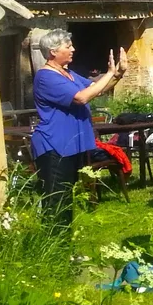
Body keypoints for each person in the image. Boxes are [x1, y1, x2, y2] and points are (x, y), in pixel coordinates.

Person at [31, 29, 127, 228]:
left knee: (67, 199)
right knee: (57, 202)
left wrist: (118, 74)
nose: (73, 49)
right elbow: (82, 97)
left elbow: (96, 88)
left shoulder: (68, 74)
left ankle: (63, 249)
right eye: (68, 46)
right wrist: (110, 73)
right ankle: (53, 250)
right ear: (53, 52)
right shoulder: (46, 77)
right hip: (54, 146)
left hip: (71, 146)